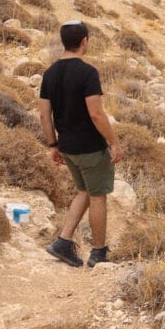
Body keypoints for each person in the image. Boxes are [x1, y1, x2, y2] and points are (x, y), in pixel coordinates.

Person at [38, 20, 122, 268]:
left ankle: (62, 242)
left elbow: (44, 115)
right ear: (84, 41)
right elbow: (96, 113)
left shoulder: (50, 73)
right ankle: (99, 252)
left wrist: (53, 145)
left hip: (67, 147)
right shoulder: (88, 73)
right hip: (90, 148)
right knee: (97, 197)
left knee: (84, 192)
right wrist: (113, 142)